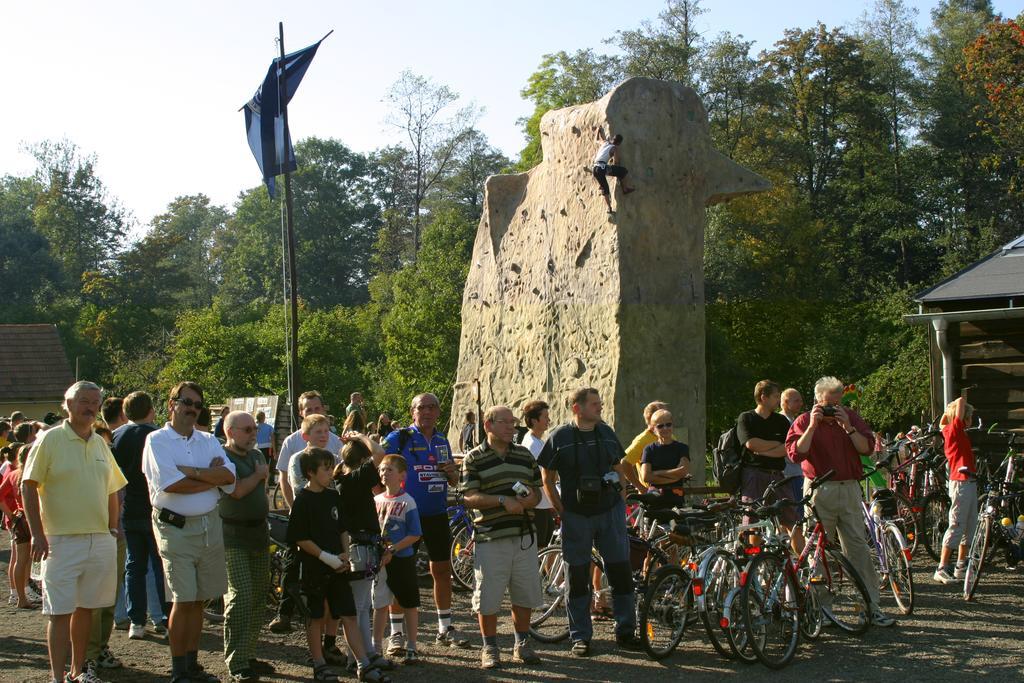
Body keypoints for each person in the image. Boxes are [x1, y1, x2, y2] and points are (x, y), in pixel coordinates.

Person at [22, 381, 128, 683]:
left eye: (95, 401)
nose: (90, 406)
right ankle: (57, 677)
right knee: (59, 612)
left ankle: (78, 672)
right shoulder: (49, 440)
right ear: (66, 404)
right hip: (61, 540)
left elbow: (112, 488)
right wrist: (37, 534)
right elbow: (28, 485)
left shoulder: (99, 443)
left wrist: (111, 528)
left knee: (87, 609)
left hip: (99, 539)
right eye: (83, 400)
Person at [142, 381, 238, 683]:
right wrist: (211, 477)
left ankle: (192, 665)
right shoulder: (157, 440)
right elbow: (170, 484)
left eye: (197, 405)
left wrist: (192, 471)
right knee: (183, 599)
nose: (192, 409)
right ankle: (178, 669)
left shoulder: (208, 439)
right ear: (172, 404)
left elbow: (230, 477)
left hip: (210, 526)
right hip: (175, 527)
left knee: (199, 600)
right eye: (186, 402)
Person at [538, 387, 642, 656]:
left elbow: (620, 469)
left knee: (620, 572)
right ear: (577, 408)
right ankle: (580, 636)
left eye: (600, 402)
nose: (600, 406)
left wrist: (620, 502)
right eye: (595, 403)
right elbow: (546, 478)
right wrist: (561, 509)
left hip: (609, 513)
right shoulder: (559, 436)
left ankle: (626, 632)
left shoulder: (606, 432)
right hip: (576, 516)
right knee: (577, 576)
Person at [786, 375, 896, 627]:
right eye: (828, 404)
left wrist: (849, 427)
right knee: (819, 551)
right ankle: (822, 609)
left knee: (857, 547)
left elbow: (866, 448)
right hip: (818, 489)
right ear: (817, 401)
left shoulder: (850, 418)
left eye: (837, 404)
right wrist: (813, 426)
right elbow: (795, 453)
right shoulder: (804, 421)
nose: (833, 410)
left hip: (848, 488)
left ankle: (869, 607)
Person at [289, 448, 384, 683]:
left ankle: (362, 663)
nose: (331, 472)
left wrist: (344, 554)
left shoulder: (333, 497)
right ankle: (319, 663)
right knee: (316, 616)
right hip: (314, 568)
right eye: (325, 468)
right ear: (311, 472)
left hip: (338, 567)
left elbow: (342, 528)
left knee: (349, 614)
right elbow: (299, 537)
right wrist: (325, 557)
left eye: (332, 467)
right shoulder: (303, 499)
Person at [460, 406, 544, 669]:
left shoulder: (524, 455)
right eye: (505, 422)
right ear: (488, 425)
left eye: (513, 422)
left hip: (523, 537)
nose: (511, 427)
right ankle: (490, 648)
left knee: (524, 594)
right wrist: (501, 500)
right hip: (491, 537)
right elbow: (467, 496)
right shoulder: (474, 458)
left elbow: (538, 492)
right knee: (488, 597)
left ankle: (522, 644)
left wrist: (531, 498)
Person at [383, 393, 468, 651]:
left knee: (441, 571)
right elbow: (378, 466)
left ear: (439, 412)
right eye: (422, 408)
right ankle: (396, 633)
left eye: (432, 407)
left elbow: (452, 481)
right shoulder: (400, 438)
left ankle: (444, 628)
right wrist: (385, 498)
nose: (428, 412)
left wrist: (453, 474)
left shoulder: (442, 440)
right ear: (413, 412)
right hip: (405, 513)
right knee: (399, 573)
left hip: (436, 514)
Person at [270, 390, 342, 635]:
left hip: (328, 513)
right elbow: (285, 477)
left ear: (323, 409)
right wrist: (293, 508)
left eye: (316, 408)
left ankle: (329, 625)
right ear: (301, 413)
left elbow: (340, 474)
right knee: (293, 561)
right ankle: (285, 611)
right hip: (303, 508)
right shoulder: (293, 442)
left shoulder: (333, 441)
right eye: (308, 409)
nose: (313, 412)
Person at [333, 434, 394, 674]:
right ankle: (357, 657)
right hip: (359, 547)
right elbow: (380, 454)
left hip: (361, 546)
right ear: (362, 460)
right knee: (358, 606)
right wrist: (362, 436)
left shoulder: (344, 480)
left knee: (362, 605)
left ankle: (365, 652)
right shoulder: (354, 478)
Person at [111, 391, 169, 641]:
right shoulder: (158, 437)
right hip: (156, 507)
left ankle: (136, 620)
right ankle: (163, 618)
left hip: (129, 507)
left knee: (133, 566)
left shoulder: (117, 436)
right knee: (159, 566)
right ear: (151, 410)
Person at [219, 411, 271, 682]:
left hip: (259, 534)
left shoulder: (257, 456)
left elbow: (260, 492)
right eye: (247, 429)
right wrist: (260, 474)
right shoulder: (222, 457)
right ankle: (236, 661)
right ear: (230, 431)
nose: (253, 434)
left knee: (259, 597)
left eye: (254, 429)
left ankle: (248, 655)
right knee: (240, 596)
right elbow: (236, 491)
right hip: (233, 536)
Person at [736, 381, 803, 552]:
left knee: (792, 521)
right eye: (775, 396)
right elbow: (751, 444)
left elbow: (787, 449)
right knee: (755, 523)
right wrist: (775, 445)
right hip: (754, 475)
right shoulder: (747, 418)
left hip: (779, 476)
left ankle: (802, 566)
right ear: (763, 397)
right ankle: (753, 565)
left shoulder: (781, 421)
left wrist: (764, 450)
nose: (778, 400)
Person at [373, 455, 422, 666]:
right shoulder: (376, 500)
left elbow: (415, 534)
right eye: (382, 470)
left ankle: (411, 645)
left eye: (389, 470)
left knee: (409, 603)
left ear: (402, 475)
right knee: (380, 604)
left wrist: (394, 548)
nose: (384, 473)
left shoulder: (407, 502)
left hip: (402, 559)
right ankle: (375, 647)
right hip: (381, 561)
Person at [934, 396, 978, 584]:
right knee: (957, 524)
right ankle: (942, 567)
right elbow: (959, 403)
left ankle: (961, 565)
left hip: (967, 481)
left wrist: (947, 413)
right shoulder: (955, 431)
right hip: (961, 482)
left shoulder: (948, 430)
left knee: (969, 524)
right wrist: (962, 399)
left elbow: (943, 421)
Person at [1, 443, 37, 608]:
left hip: (20, 517)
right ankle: (27, 595)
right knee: (35, 559)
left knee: (20, 560)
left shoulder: (13, 474)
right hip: (35, 517)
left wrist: (10, 514)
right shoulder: (35, 474)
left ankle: (21, 597)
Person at [519, 401, 555, 549]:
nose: (549, 420)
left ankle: (549, 573)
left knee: (546, 546)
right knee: (540, 548)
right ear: (534, 420)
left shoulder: (538, 441)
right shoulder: (532, 445)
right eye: (545, 417)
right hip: (537, 504)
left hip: (543, 503)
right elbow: (541, 477)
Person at [639, 409, 690, 495]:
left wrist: (657, 473)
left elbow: (683, 472)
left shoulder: (682, 448)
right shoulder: (649, 449)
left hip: (676, 499)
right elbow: (646, 477)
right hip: (654, 500)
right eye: (660, 426)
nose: (665, 428)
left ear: (672, 426)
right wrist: (674, 477)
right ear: (653, 429)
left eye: (668, 424)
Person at [622, 401, 670, 491]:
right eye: (663, 414)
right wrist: (641, 488)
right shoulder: (643, 440)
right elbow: (624, 463)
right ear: (652, 418)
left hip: (672, 492)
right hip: (652, 497)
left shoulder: (669, 436)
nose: (668, 416)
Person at [592, 128, 636, 214]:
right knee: (622, 171)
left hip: (595, 168)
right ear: (619, 143)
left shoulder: (605, 142)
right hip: (602, 168)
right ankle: (625, 189)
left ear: (612, 139)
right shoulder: (614, 148)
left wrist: (598, 131)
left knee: (605, 188)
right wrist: (616, 165)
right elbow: (616, 162)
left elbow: (596, 140)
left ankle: (609, 208)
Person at [780, 388, 805, 521]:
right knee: (795, 517)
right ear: (785, 402)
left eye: (801, 400)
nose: (800, 403)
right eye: (796, 401)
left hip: (794, 472)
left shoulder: (792, 420)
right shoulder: (783, 422)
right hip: (790, 474)